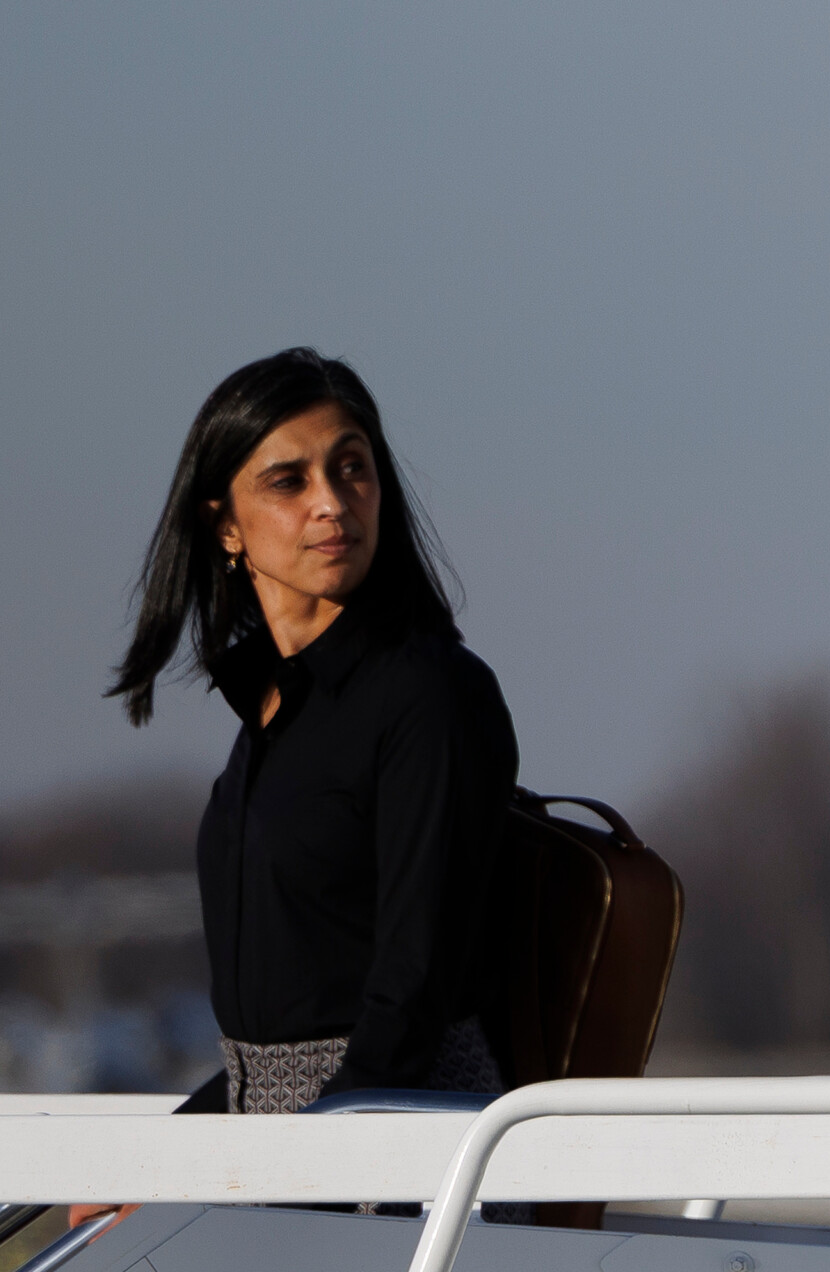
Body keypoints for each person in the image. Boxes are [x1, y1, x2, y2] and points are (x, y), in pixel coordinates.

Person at [105, 349, 519, 1124]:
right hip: (290, 1143)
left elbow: (412, 996)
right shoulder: (269, 710)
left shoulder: (431, 694)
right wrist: (164, 1162)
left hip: (412, 1146)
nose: (332, 503)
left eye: (352, 468)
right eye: (289, 481)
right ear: (225, 524)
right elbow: (271, 1040)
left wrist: (301, 1176)